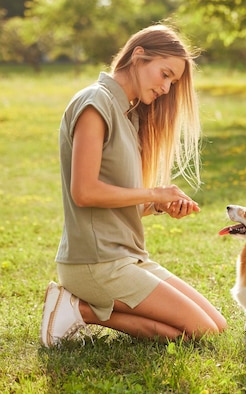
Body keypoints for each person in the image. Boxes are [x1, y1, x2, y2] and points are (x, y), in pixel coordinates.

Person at [40, 24, 227, 347]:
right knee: (200, 332)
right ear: (138, 56)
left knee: (217, 326)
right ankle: (80, 309)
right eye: (165, 74)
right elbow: (84, 193)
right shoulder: (94, 104)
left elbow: (113, 203)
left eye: (173, 81)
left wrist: (157, 205)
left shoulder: (131, 115)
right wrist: (154, 192)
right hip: (95, 262)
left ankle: (79, 308)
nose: (167, 88)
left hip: (127, 256)